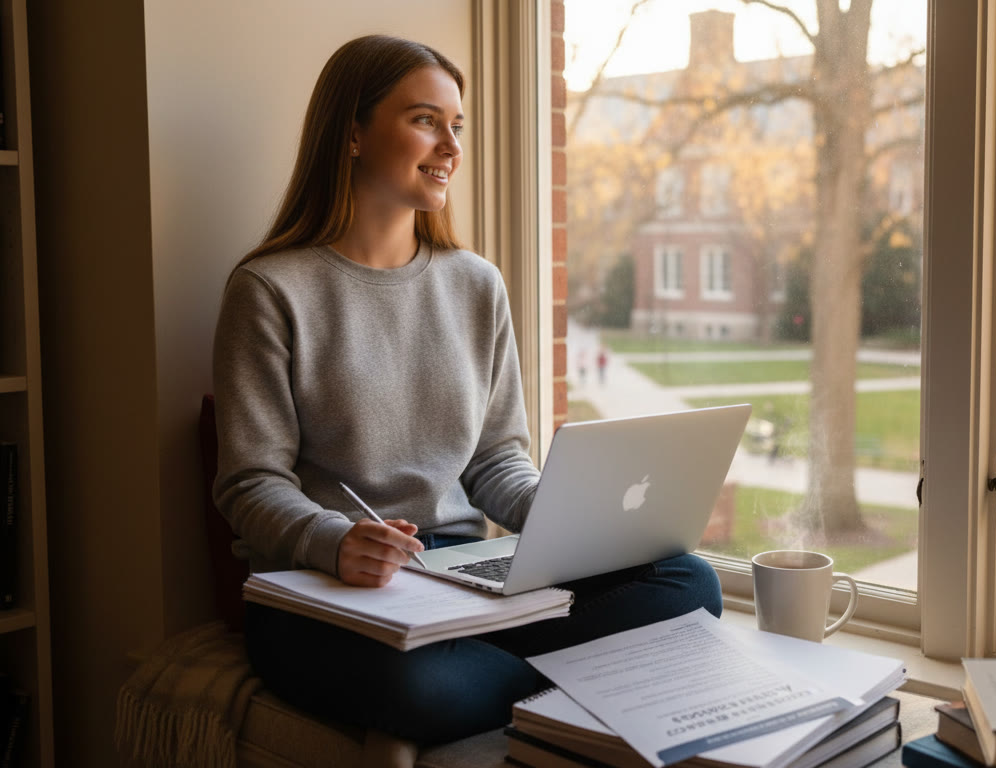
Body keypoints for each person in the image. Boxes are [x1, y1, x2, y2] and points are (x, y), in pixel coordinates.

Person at [211, 35, 721, 747]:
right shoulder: (270, 289)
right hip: (325, 595)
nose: (451, 146)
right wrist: (333, 541)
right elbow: (249, 482)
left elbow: (495, 460)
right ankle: (585, 683)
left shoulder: (475, 284)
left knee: (689, 584)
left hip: (460, 578)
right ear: (351, 133)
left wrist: (565, 523)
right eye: (425, 120)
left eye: (457, 126)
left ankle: (514, 677)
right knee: (419, 687)